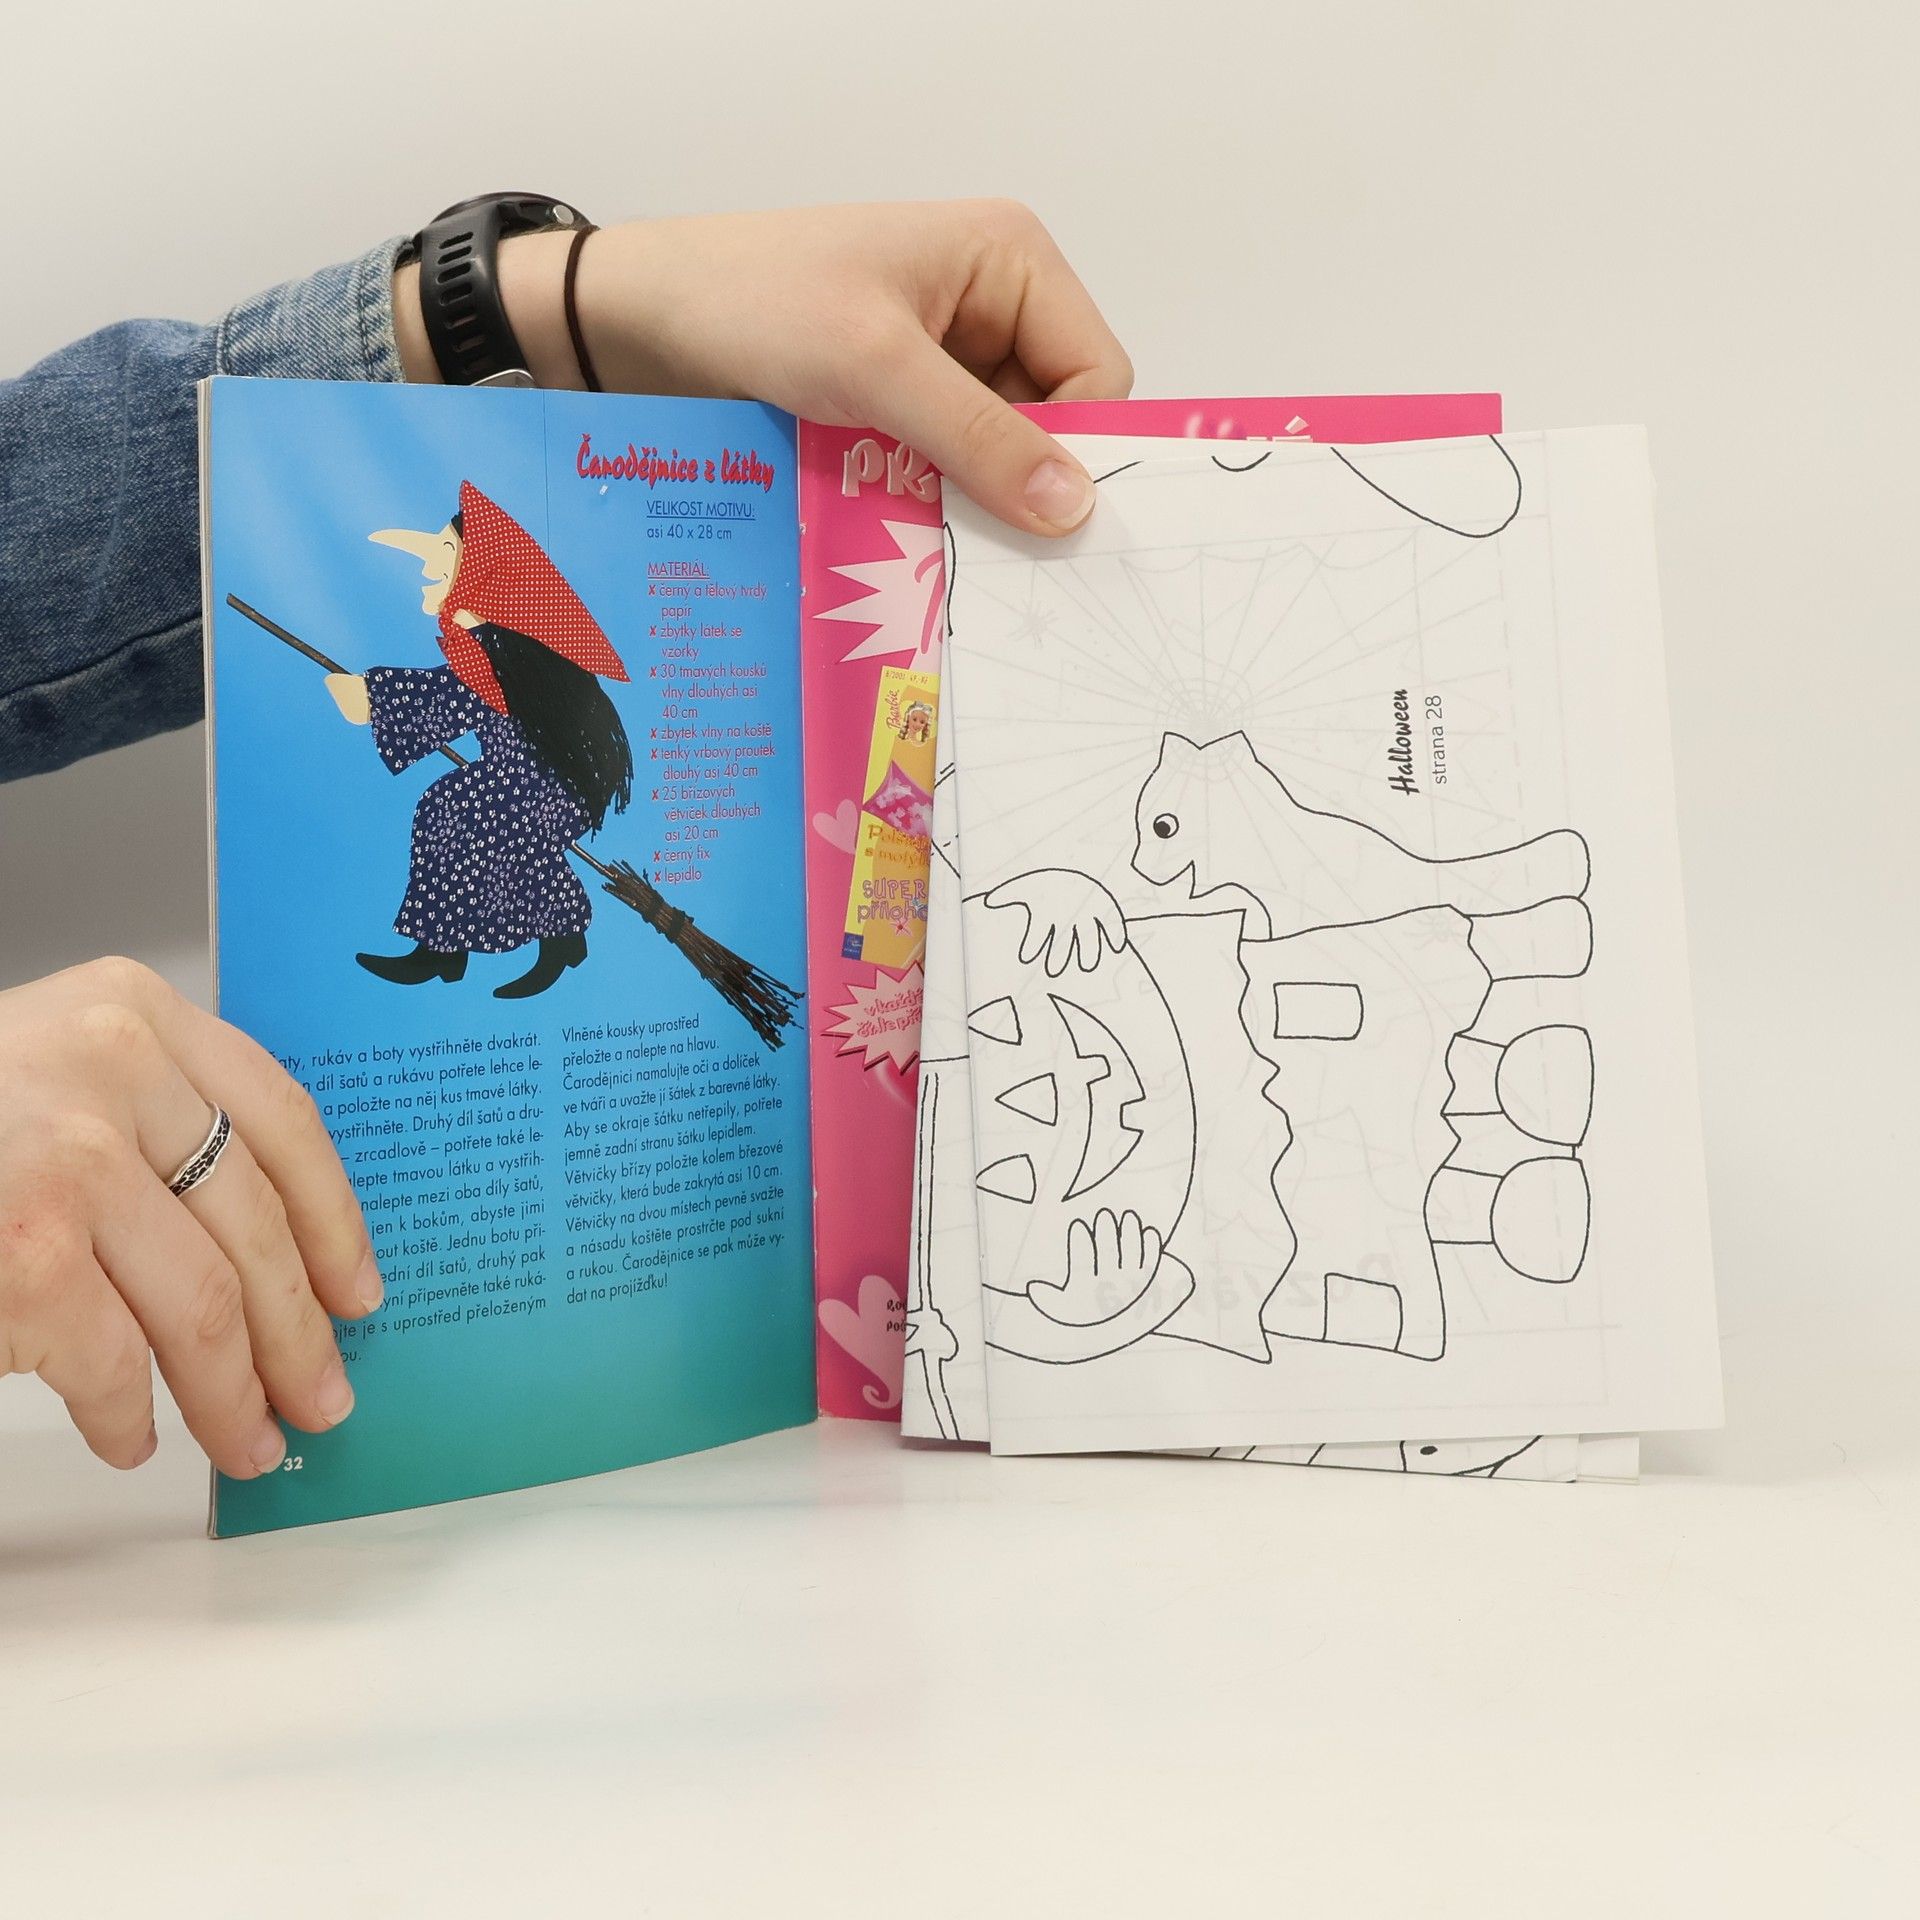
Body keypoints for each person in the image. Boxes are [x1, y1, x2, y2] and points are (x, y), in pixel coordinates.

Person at [0, 198, 1132, 1481]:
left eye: (438, 563)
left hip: (553, 786)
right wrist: (388, 694)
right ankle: (475, 943)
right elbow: (454, 706)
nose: (425, 575)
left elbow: (498, 719)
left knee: (476, 813)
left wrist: (563, 302)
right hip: (518, 773)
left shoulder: (506, 640)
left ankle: (551, 928)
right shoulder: (468, 633)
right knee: (454, 814)